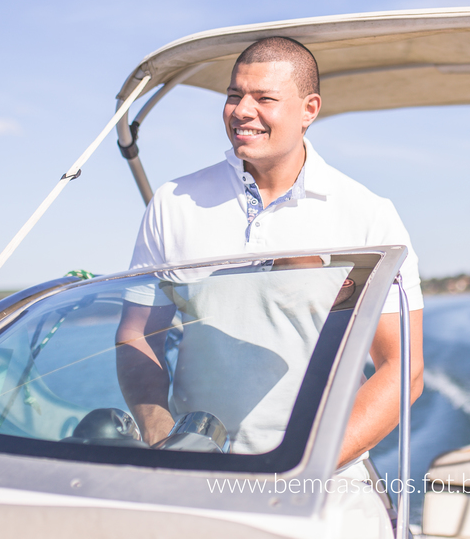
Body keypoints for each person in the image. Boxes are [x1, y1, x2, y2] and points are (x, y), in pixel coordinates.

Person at [115, 36, 424, 535]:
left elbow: (402, 369)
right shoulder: (174, 203)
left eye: (264, 98)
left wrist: (301, 466)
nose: (242, 111)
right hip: (200, 478)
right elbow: (137, 334)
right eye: (234, 95)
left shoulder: (367, 214)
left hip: (327, 485)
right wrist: (161, 436)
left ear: (309, 110)